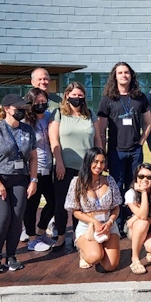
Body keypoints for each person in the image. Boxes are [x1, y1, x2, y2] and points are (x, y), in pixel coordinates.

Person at [0, 94, 38, 273]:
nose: (22, 110)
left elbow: (33, 158)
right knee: (2, 217)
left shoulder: (28, 130)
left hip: (19, 178)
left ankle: (11, 255)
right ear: (6, 109)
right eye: (18, 107)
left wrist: (33, 180)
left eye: (23, 108)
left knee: (16, 218)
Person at [98, 62, 151, 236]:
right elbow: (101, 129)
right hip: (116, 150)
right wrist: (104, 151)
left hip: (135, 150)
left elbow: (148, 122)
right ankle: (118, 223)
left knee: (134, 185)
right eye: (120, 72)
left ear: (131, 75)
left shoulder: (140, 97)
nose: (123, 75)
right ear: (115, 76)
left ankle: (132, 221)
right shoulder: (108, 99)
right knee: (117, 186)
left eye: (126, 72)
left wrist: (142, 141)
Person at [48, 82, 102, 251]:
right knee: (62, 204)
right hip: (65, 167)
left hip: (87, 168)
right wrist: (60, 163)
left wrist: (101, 159)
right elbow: (54, 140)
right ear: (66, 96)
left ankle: (79, 237)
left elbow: (98, 139)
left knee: (83, 204)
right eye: (74, 95)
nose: (77, 98)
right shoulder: (59, 114)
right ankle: (62, 236)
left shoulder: (90, 114)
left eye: (80, 95)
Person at [64, 147, 122, 271]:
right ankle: (85, 252)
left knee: (110, 266)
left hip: (108, 225)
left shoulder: (109, 180)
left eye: (102, 162)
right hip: (87, 228)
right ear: (88, 161)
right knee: (94, 257)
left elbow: (116, 207)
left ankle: (103, 247)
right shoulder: (77, 182)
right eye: (95, 161)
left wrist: (110, 222)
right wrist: (94, 221)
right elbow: (75, 212)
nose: (99, 165)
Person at [21, 88, 56, 252]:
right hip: (33, 170)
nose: (41, 105)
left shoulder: (50, 117)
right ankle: (32, 239)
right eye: (37, 102)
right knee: (31, 206)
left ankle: (41, 232)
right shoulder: (26, 122)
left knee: (54, 203)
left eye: (44, 101)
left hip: (49, 167)